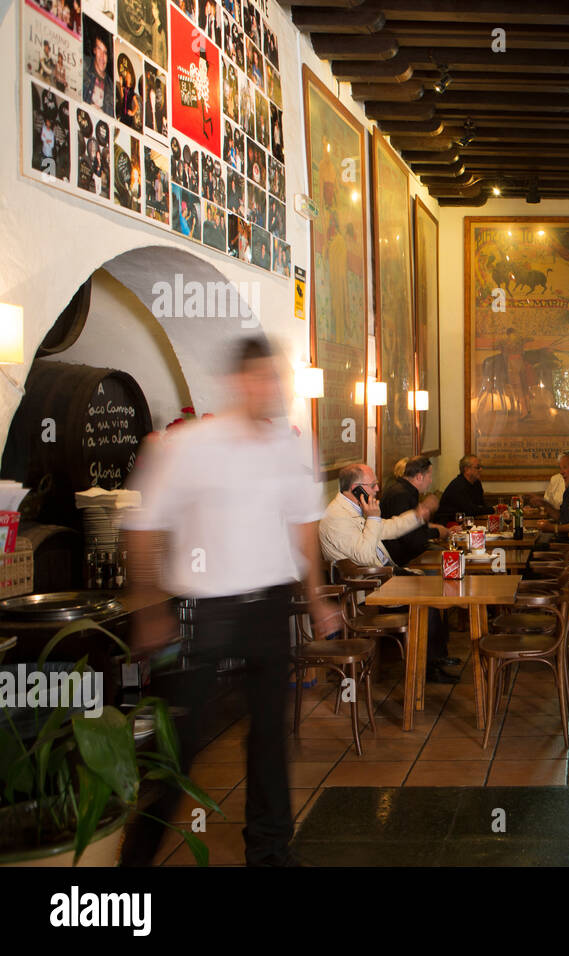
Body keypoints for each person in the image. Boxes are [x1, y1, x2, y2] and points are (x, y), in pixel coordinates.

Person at [121, 337, 334, 867]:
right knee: (178, 748)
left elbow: (303, 527)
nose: (273, 390)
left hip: (268, 609)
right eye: (263, 378)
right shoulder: (191, 445)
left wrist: (315, 599)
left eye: (277, 379)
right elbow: (142, 528)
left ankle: (269, 854)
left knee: (269, 741)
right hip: (202, 616)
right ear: (239, 382)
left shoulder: (291, 445)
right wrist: (149, 609)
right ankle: (128, 871)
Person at [320, 463, 458, 681]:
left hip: (383, 578)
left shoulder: (357, 508)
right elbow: (364, 555)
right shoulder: (336, 518)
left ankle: (434, 658)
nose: (377, 489)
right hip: (367, 590)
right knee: (429, 600)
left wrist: (418, 514)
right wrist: (373, 517)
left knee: (436, 589)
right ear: (357, 487)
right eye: (373, 485)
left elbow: (388, 528)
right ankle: (427, 669)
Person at [379, 456, 449, 567]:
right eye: (429, 476)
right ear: (419, 477)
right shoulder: (401, 495)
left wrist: (437, 529)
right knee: (449, 557)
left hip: (408, 553)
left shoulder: (404, 490)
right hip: (402, 560)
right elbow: (409, 538)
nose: (430, 481)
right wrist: (437, 532)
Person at [432, 455, 494, 524]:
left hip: (467, 520)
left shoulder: (476, 483)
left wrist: (493, 509)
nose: (480, 470)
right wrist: (494, 509)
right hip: (448, 523)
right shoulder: (458, 486)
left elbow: (481, 505)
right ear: (467, 469)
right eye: (477, 467)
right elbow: (471, 510)